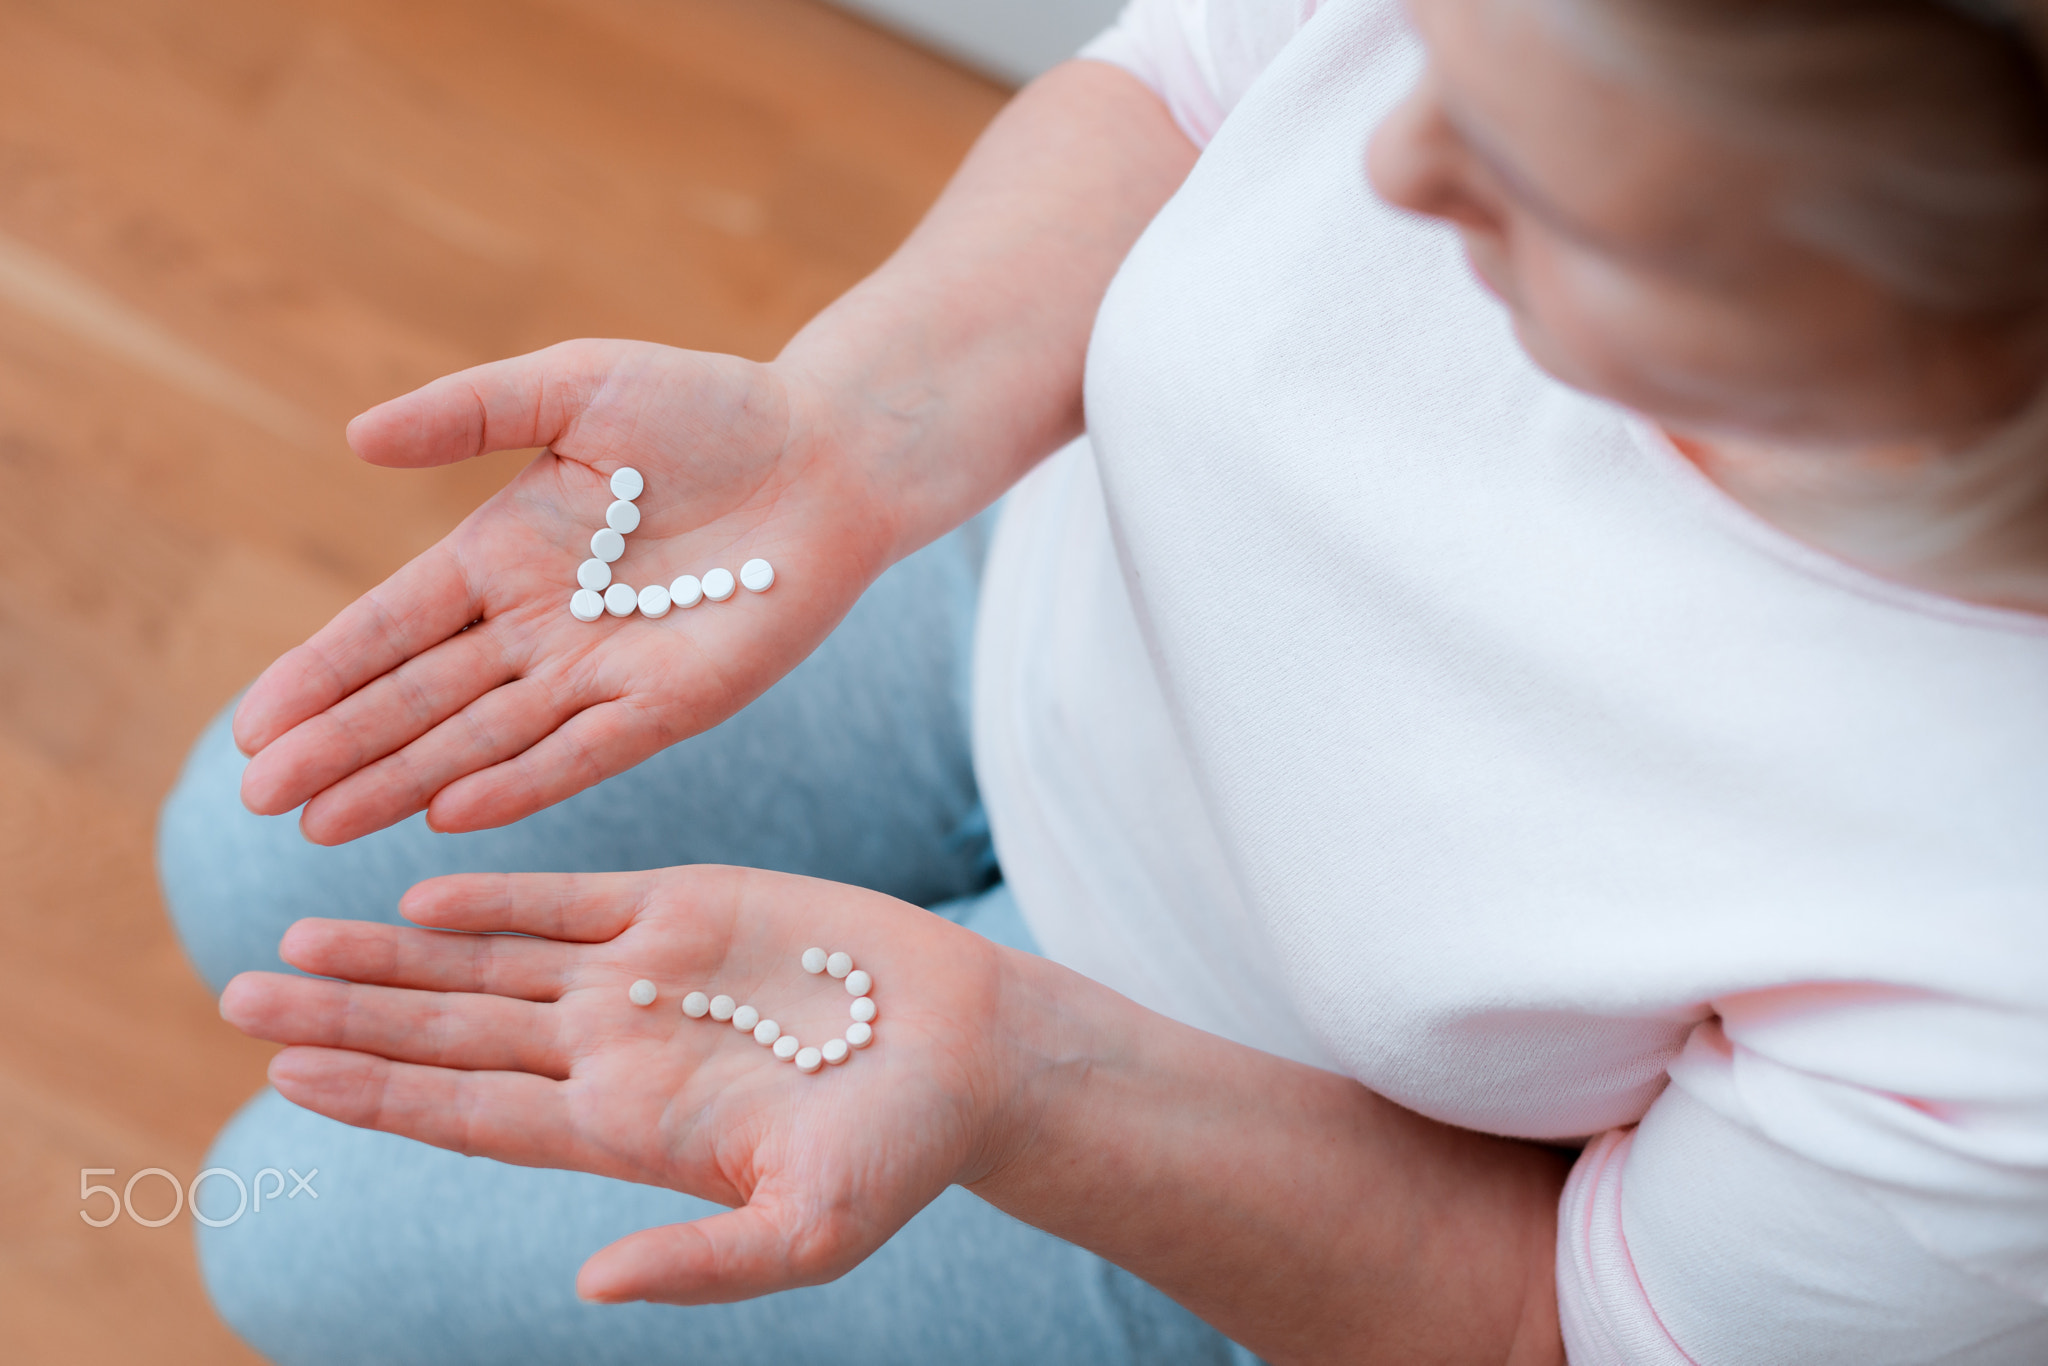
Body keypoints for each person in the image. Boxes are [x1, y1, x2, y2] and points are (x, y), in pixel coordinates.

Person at [157, 0, 2048, 1361]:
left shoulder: (1997, 936)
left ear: (1909, 287)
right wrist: (851, 427)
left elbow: (1556, 1325)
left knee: (279, 1235)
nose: (1388, 155)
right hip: (1038, 601)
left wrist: (1009, 1077)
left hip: (1248, 1123)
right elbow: (1193, 86)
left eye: (1531, 184)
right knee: (235, 858)